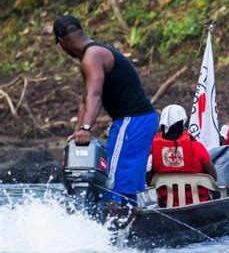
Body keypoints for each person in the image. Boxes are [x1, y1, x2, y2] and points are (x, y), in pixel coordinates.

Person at [54, 15, 158, 207]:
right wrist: (77, 131)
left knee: (113, 184)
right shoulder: (94, 53)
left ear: (62, 41)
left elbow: (95, 95)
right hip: (138, 121)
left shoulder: (92, 56)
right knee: (126, 183)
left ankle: (112, 234)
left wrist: (86, 128)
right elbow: (85, 99)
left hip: (132, 121)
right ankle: (128, 228)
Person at [147, 104, 217, 207]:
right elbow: (214, 176)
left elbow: (149, 182)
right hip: (200, 203)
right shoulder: (197, 147)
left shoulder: (153, 148)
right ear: (182, 124)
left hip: (167, 205)